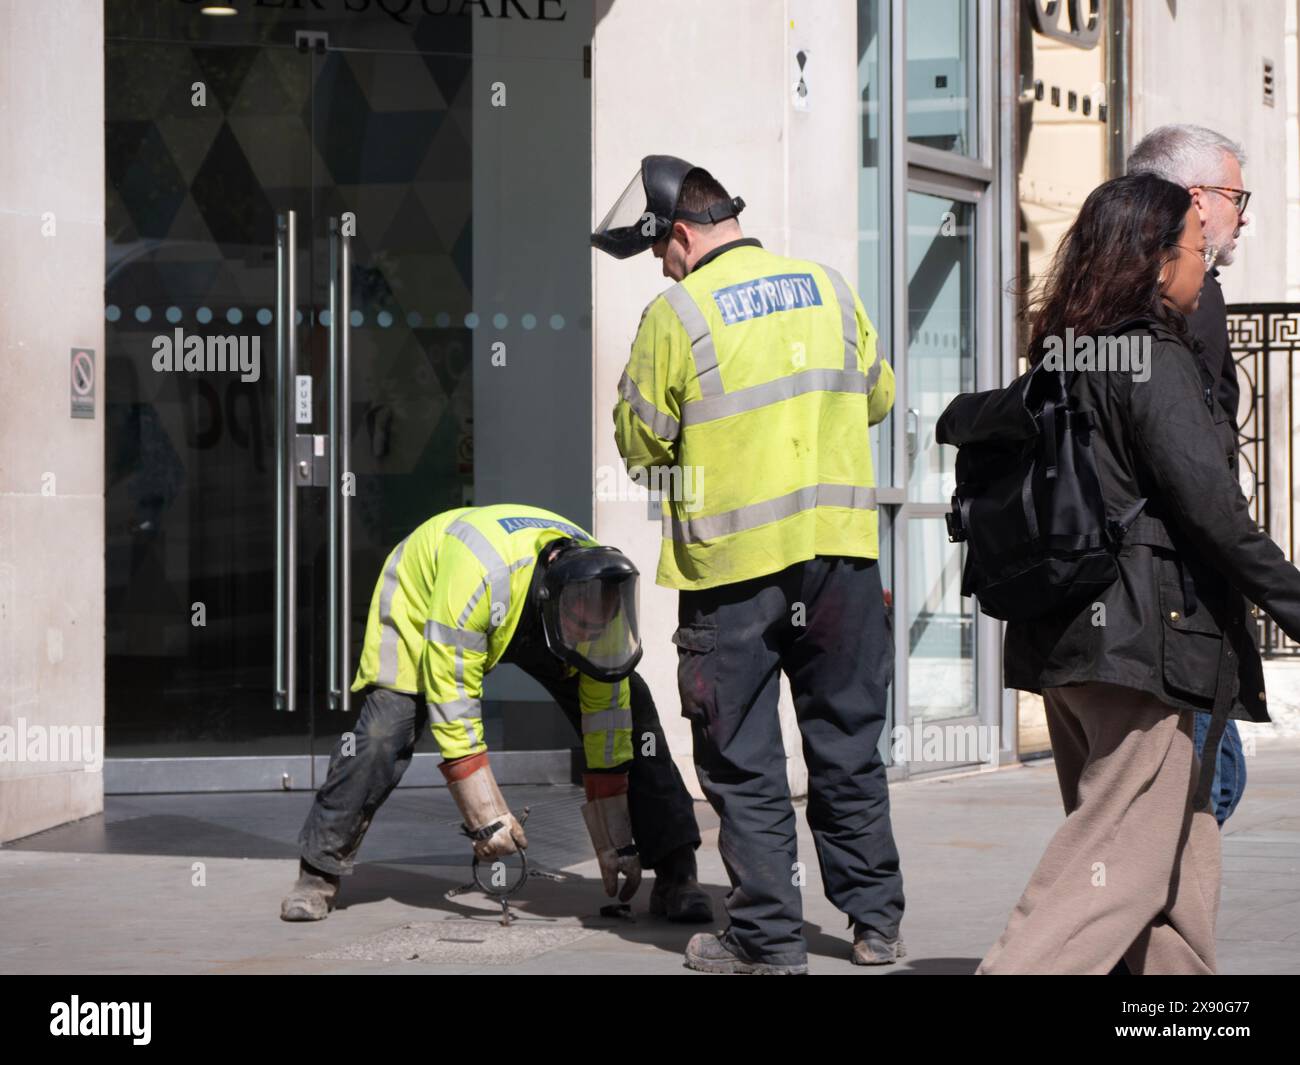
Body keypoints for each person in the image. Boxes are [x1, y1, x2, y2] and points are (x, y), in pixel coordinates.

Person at [950, 173, 1300, 974]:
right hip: (1141, 654)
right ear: (1153, 260)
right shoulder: (1150, 356)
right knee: (1106, 876)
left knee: (1173, 865)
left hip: (1075, 649)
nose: (1204, 263)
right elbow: (1215, 514)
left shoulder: (1064, 353)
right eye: (1194, 247)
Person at [595, 155, 900, 974]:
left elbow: (641, 444)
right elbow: (877, 396)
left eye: (661, 252)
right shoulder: (831, 287)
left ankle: (768, 941)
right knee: (847, 743)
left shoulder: (678, 313)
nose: (663, 268)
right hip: (841, 562)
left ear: (684, 236)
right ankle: (875, 924)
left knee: (743, 759)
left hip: (732, 575)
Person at [280, 503, 711, 924]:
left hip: (530, 601)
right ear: (555, 603)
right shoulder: (478, 579)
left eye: (596, 630)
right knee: (380, 733)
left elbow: (607, 720)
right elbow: (452, 692)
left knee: (635, 717)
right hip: (429, 594)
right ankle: (318, 871)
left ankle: (677, 874)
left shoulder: (596, 586)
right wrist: (484, 817)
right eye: (582, 629)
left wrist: (616, 837)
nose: (591, 636)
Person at [1128, 125, 1253, 826]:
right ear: (1197, 201)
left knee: (1189, 790)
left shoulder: (1108, 295)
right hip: (1174, 589)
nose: (1244, 215)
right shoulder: (1178, 302)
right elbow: (1196, 454)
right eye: (1238, 196)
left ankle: (1146, 926)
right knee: (1205, 787)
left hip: (1150, 593)